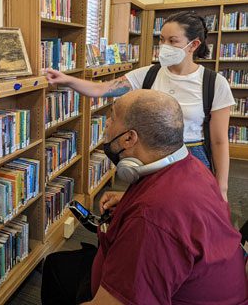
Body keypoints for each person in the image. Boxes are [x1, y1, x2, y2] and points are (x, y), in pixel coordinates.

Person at [41, 89, 247, 305]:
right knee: (58, 265)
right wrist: (130, 201)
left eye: (112, 117)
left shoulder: (153, 218)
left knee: (57, 270)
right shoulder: (193, 168)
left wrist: (141, 211)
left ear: (129, 138)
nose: (107, 123)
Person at [46, 11, 234, 201]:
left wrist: (222, 188)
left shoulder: (214, 83)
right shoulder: (148, 74)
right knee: (148, 206)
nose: (164, 46)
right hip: (152, 155)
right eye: (161, 39)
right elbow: (101, 89)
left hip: (192, 157)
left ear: (193, 45)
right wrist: (66, 79)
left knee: (187, 210)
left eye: (173, 41)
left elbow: (219, 141)